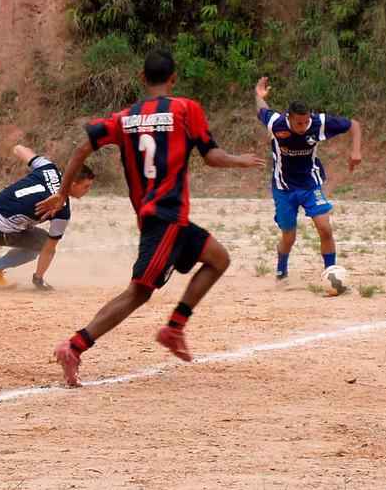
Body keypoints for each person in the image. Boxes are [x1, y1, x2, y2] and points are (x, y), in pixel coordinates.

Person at [36, 48, 263, 386]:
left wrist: (64, 192)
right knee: (138, 293)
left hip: (167, 219)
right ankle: (74, 345)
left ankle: (174, 328)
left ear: (142, 78)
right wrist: (240, 160)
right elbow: (211, 156)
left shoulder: (123, 118)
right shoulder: (186, 109)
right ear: (173, 78)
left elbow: (82, 148)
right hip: (165, 216)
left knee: (218, 258)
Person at [254, 76, 362, 289]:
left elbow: (354, 125)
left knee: (325, 228)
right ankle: (281, 271)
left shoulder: (318, 123)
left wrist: (356, 150)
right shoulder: (277, 123)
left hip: (310, 185)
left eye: (306, 122)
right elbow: (261, 110)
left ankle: (331, 272)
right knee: (289, 236)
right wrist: (259, 95)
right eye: (298, 123)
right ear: (289, 118)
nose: (303, 127)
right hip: (283, 188)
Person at [0, 144, 95, 290]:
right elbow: (49, 249)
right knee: (42, 243)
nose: (87, 190)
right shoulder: (62, 209)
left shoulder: (48, 167)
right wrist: (38, 278)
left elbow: (18, 148)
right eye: (86, 186)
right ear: (73, 184)